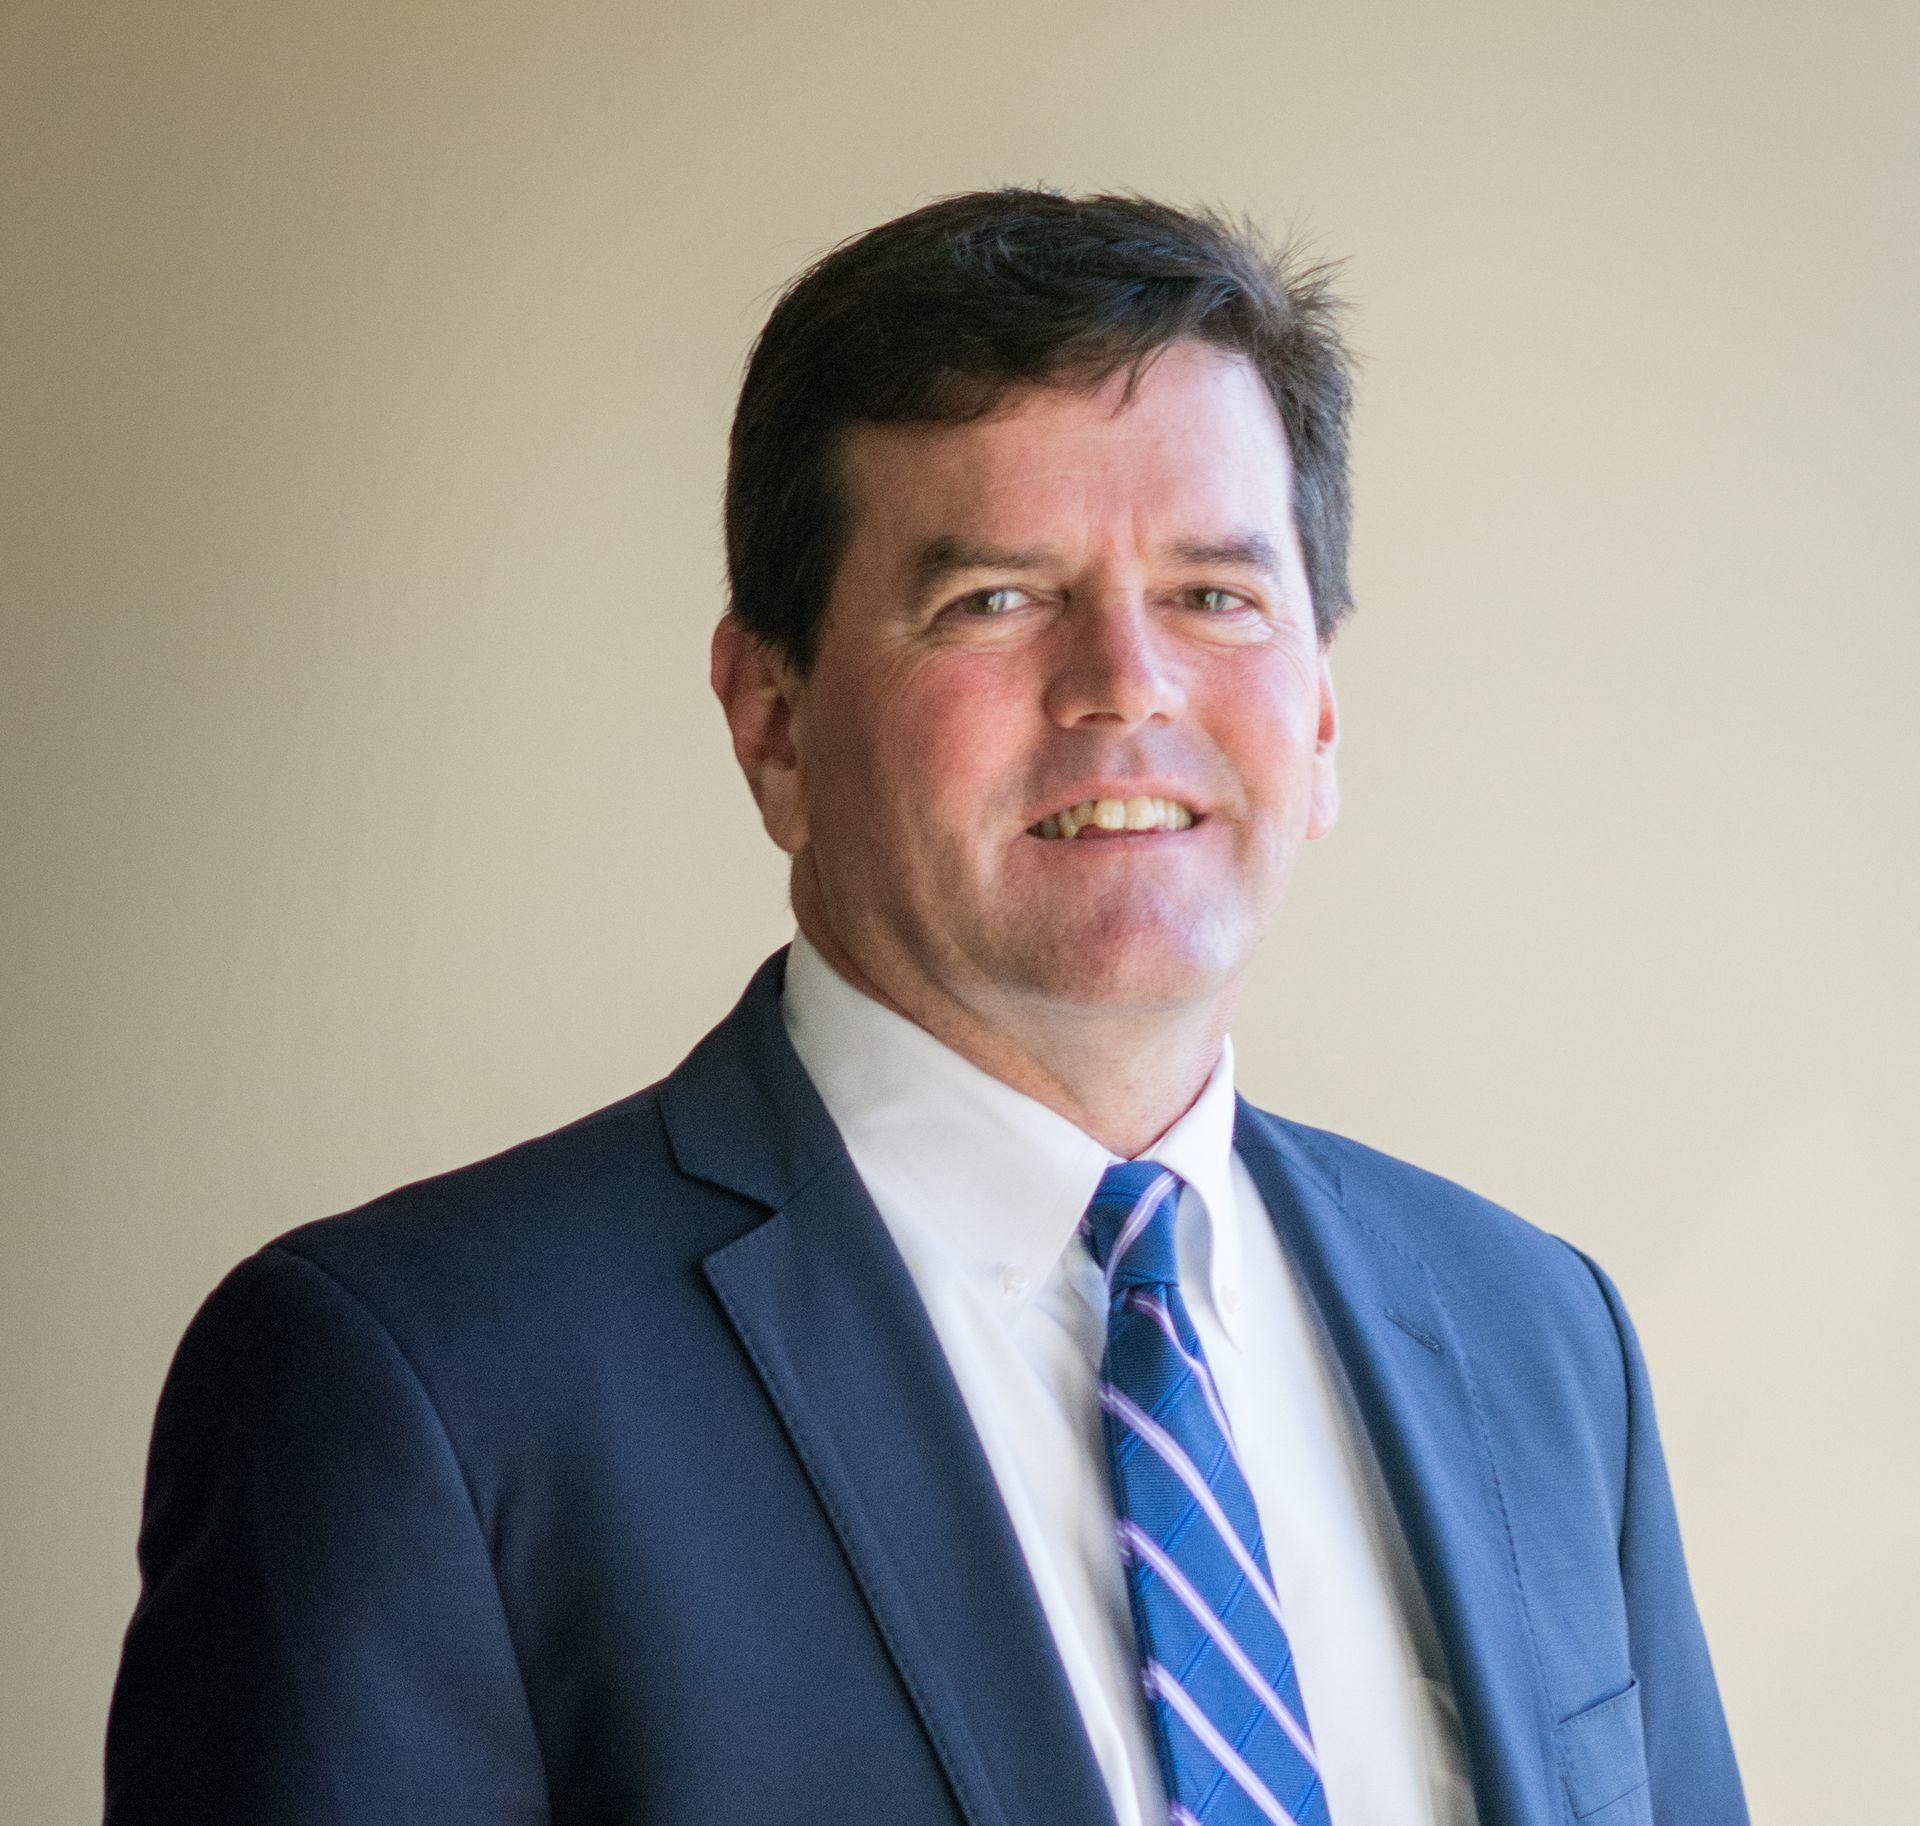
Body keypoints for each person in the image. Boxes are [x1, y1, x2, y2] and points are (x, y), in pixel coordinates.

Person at [104, 189, 1748, 1826]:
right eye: (997, 598)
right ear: (773, 722)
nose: (1128, 681)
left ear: (1321, 714)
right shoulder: (415, 1393)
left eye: (1216, 594)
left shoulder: (1538, 1337)